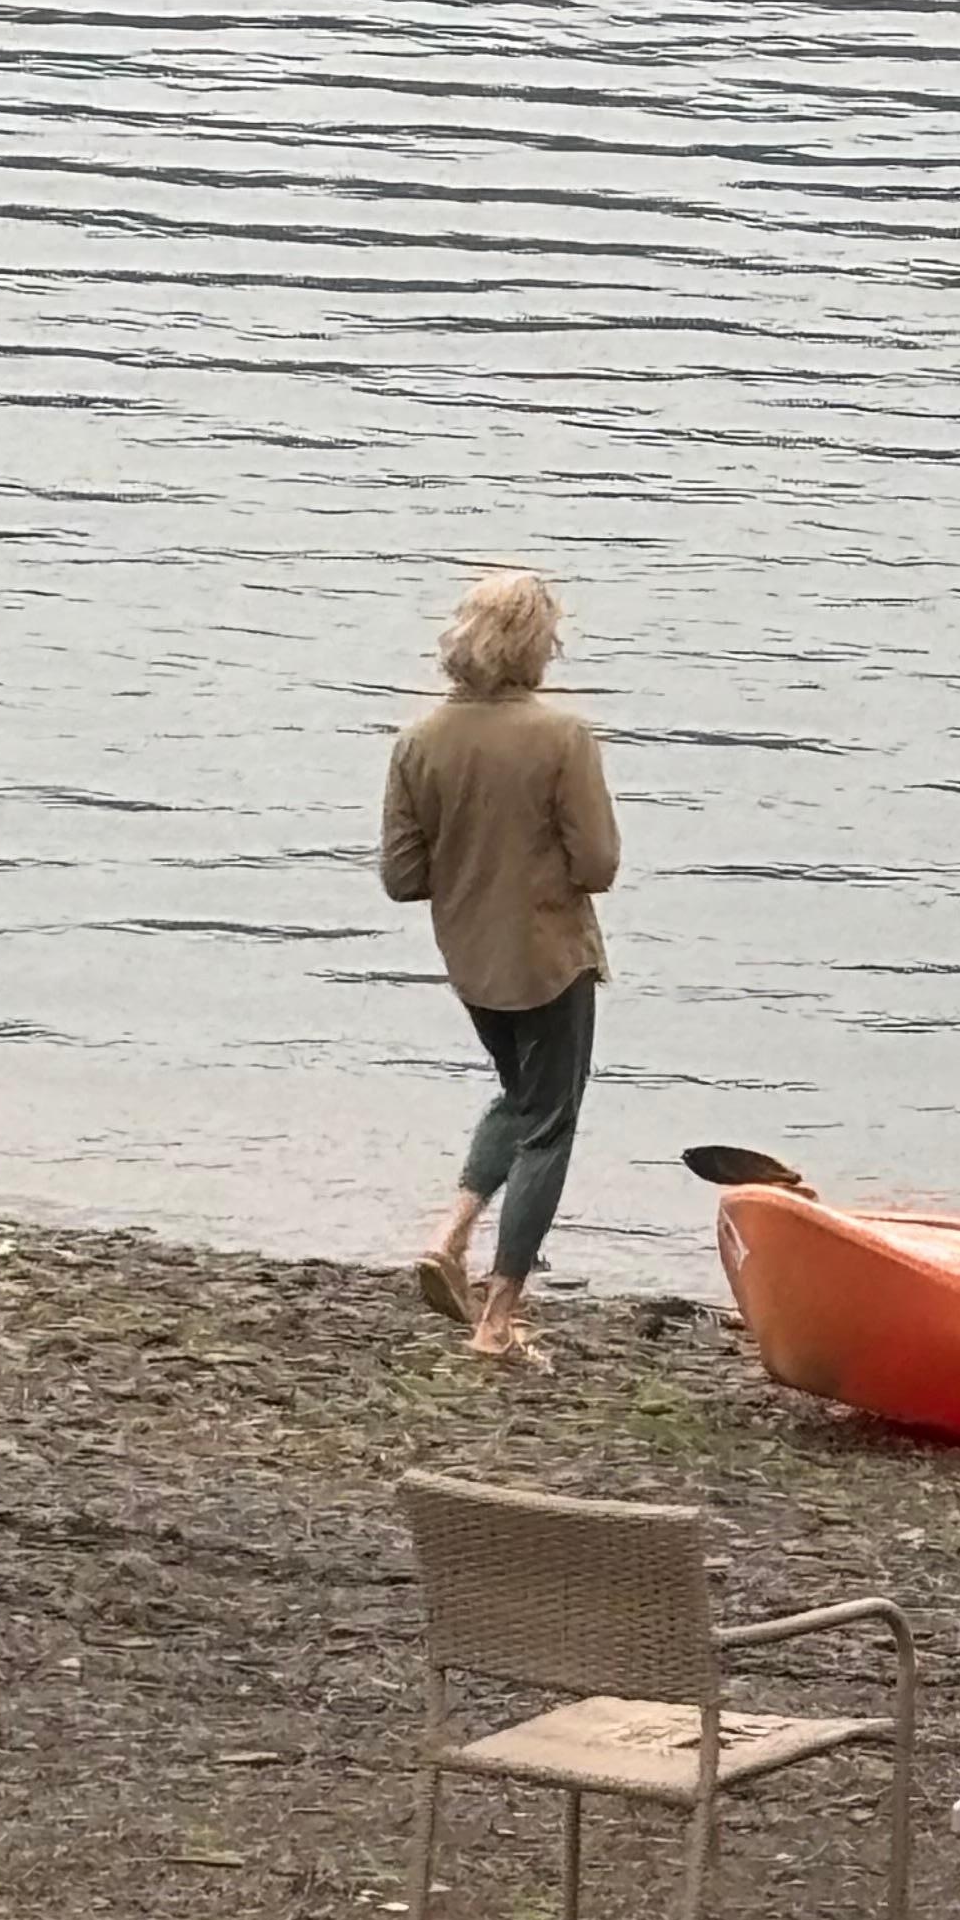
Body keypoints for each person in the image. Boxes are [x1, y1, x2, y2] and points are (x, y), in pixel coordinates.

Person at [380, 567, 620, 1365]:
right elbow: (598, 865)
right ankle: (498, 1316)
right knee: (550, 1122)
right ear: (535, 646)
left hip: (471, 960)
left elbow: (402, 878)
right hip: (551, 957)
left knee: (519, 1096)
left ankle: (448, 1234)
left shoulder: (418, 742)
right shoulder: (562, 738)